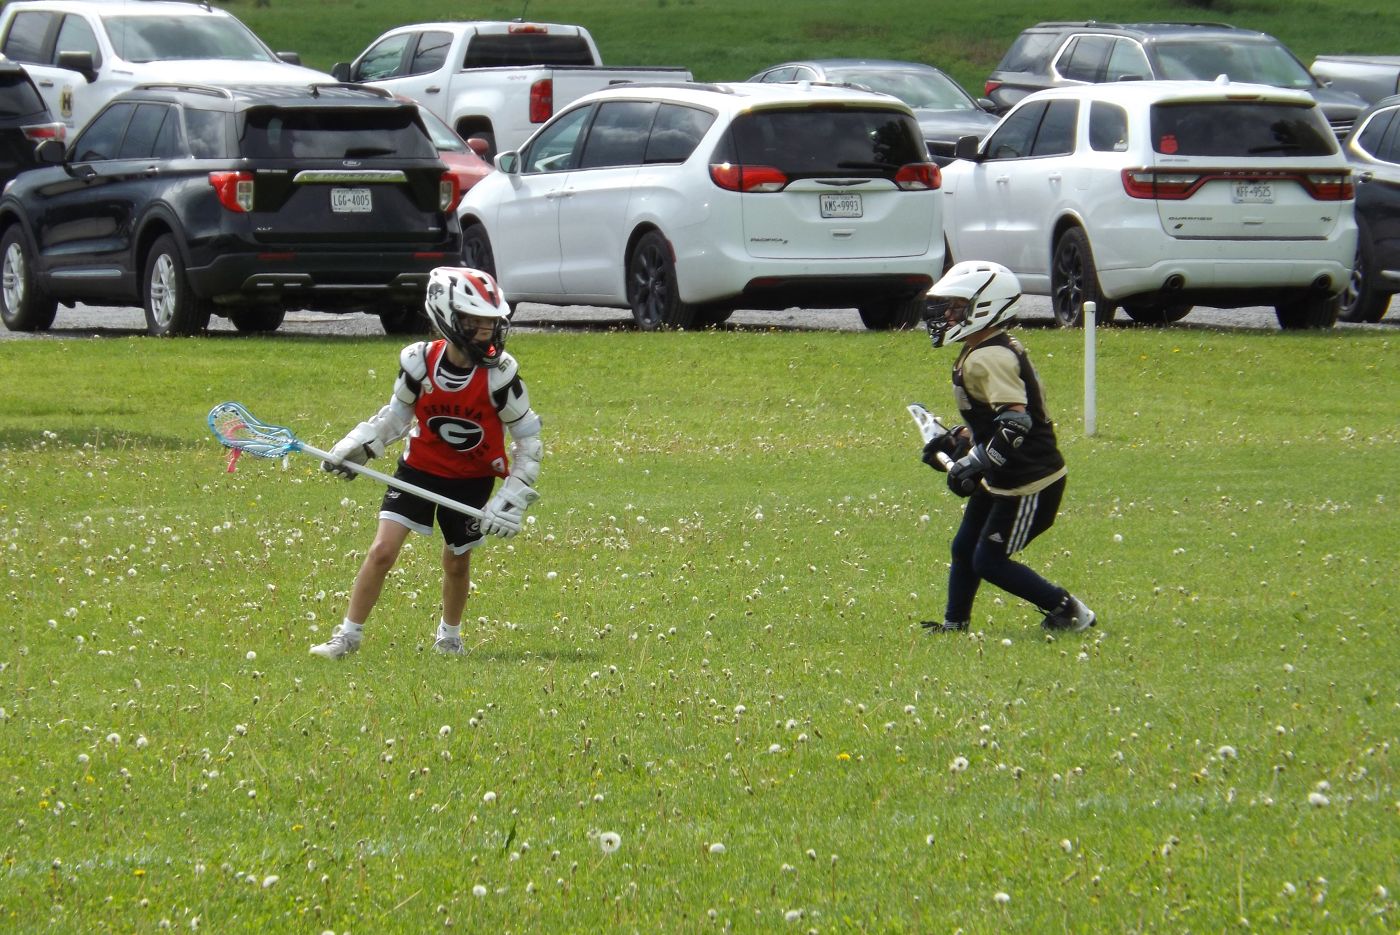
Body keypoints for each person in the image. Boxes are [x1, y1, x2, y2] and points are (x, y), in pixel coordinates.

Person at [310, 267, 543, 658]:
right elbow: (396, 417)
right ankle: (347, 637)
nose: (486, 330)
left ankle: (449, 637)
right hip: (418, 470)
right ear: (447, 317)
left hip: (470, 479)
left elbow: (528, 441)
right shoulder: (420, 362)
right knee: (381, 551)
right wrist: (358, 445)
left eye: (490, 321)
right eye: (474, 321)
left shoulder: (500, 376)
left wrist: (513, 494)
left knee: (456, 561)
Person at [918, 260, 1095, 634]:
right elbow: (992, 423)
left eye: (957, 307)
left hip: (1029, 481)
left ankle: (1070, 611)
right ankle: (955, 623)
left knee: (989, 560)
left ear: (985, 307)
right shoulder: (982, 349)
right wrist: (957, 442)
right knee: (964, 548)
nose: (947, 315)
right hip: (1003, 475)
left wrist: (975, 462)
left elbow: (1016, 423)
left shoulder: (990, 356)